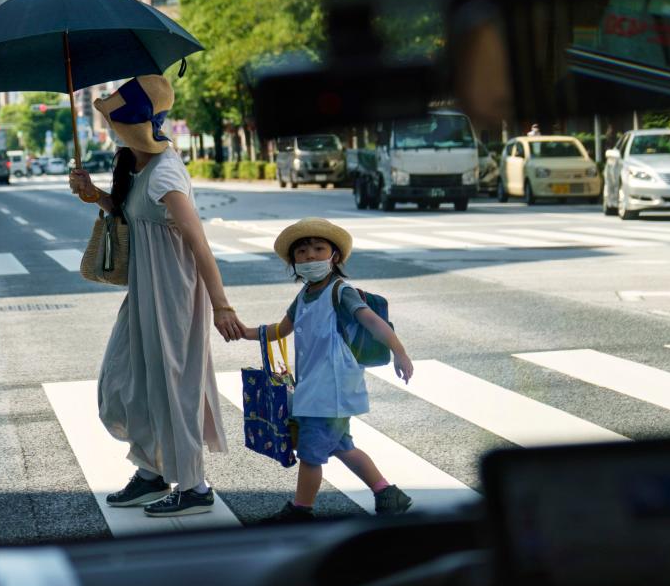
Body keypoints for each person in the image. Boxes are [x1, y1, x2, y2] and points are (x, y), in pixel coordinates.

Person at [68, 75, 248, 518]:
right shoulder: (136, 166)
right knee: (126, 378)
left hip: (174, 292)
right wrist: (95, 196)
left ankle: (194, 486)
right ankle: (151, 471)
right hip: (146, 289)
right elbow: (132, 216)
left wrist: (221, 304)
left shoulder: (165, 171)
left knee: (175, 386)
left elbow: (198, 242)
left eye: (115, 122)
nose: (111, 129)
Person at [236, 218, 416, 523]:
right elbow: (282, 329)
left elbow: (371, 320)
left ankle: (301, 510)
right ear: (293, 261)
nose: (310, 256)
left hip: (331, 387)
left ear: (335, 256)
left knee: (310, 453)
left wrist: (400, 352)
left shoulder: (339, 291)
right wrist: (245, 332)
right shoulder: (304, 295)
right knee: (342, 446)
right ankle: (388, 494)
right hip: (315, 386)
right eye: (302, 252)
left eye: (319, 249)